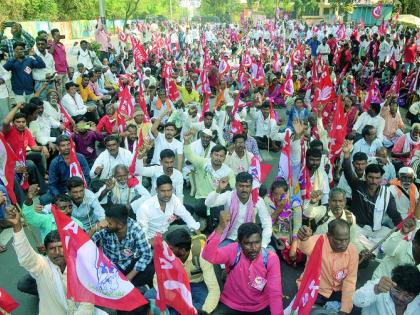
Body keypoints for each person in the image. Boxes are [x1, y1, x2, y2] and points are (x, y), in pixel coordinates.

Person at [5, 205, 96, 314]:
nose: (57, 253)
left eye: (61, 247)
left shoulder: (81, 268)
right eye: (52, 249)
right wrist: (17, 227)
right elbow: (26, 256)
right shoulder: (42, 266)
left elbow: (87, 305)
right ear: (46, 251)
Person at [202, 219, 283, 314]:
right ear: (239, 243)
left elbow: (275, 293)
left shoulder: (271, 259)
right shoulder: (233, 250)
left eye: (257, 242)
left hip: (259, 306)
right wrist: (220, 228)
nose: (253, 248)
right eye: (248, 243)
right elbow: (208, 255)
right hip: (231, 304)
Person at [342, 140, 402, 250]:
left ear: (381, 179)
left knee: (392, 237)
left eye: (377, 178)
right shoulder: (357, 186)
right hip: (357, 227)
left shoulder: (386, 194)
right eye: (370, 177)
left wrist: (403, 231)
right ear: (365, 177)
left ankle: (370, 248)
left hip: (375, 230)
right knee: (350, 238)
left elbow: (395, 215)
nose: (374, 181)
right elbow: (348, 172)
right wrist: (346, 155)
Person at [146, 229, 220, 314]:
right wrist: (172, 296)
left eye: (171, 249)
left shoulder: (201, 254)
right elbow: (157, 278)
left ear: (183, 251)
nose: (166, 250)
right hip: (172, 284)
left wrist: (202, 312)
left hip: (196, 286)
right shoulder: (167, 253)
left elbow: (213, 289)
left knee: (199, 307)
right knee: (149, 297)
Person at [296, 220, 359, 314]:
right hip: (315, 290)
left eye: (347, 239)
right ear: (328, 236)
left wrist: (345, 310)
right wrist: (304, 238)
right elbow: (304, 246)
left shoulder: (353, 251)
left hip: (337, 292)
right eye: (339, 240)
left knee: (356, 307)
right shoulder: (319, 241)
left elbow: (350, 282)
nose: (344, 244)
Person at [91, 204, 154, 288]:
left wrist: (129, 277)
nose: (105, 224)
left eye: (109, 223)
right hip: (109, 265)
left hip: (127, 263)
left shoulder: (136, 230)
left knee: (149, 270)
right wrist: (93, 229)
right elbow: (85, 244)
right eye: (105, 220)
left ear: (120, 225)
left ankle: (128, 286)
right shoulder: (105, 228)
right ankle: (126, 286)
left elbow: (146, 254)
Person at [205, 172, 272, 248]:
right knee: (214, 254)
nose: (244, 189)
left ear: (251, 187)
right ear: (236, 186)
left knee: (270, 253)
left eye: (247, 186)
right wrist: (218, 189)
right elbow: (208, 203)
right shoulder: (229, 196)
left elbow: (267, 224)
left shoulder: (258, 201)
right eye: (241, 186)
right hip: (229, 238)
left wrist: (263, 245)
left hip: (249, 241)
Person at [183, 130, 235, 222]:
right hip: (202, 198)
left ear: (224, 158)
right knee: (200, 207)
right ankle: (212, 222)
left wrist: (227, 187)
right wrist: (186, 141)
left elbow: (233, 187)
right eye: (216, 155)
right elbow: (189, 155)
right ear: (211, 155)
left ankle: (207, 221)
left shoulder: (228, 171)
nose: (218, 158)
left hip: (218, 198)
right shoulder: (203, 163)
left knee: (220, 208)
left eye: (221, 156)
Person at [136, 175, 200, 241]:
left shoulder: (173, 198)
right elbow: (142, 234)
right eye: (163, 191)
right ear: (157, 190)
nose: (167, 194)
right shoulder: (145, 208)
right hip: (151, 238)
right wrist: (151, 243)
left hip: (166, 232)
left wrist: (199, 234)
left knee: (188, 230)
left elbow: (185, 215)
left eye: (169, 190)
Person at [303, 188, 363, 252]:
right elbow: (307, 213)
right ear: (329, 201)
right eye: (334, 201)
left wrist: (362, 251)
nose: (337, 204)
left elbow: (353, 239)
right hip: (318, 251)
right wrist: (312, 202)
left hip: (338, 254)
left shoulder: (350, 217)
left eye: (340, 201)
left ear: (345, 202)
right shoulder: (323, 210)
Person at [353, 265, 420, 314]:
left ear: (416, 295)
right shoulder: (380, 285)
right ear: (392, 282)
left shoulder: (418, 302)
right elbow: (356, 301)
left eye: (408, 296)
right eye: (397, 290)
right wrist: (376, 289)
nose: (400, 298)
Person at [264, 179, 303, 264]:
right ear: (271, 193)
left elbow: (297, 225)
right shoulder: (267, 200)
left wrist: (293, 246)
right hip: (274, 238)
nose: (278, 198)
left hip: (291, 238)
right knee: (269, 256)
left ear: (287, 193)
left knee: (301, 254)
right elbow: (266, 224)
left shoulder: (294, 203)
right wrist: (279, 210)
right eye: (275, 194)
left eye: (282, 195)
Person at [45, 135, 90, 203]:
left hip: (79, 189)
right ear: (57, 147)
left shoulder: (80, 158)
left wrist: (80, 190)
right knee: (44, 199)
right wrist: (59, 197)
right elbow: (52, 184)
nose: (67, 147)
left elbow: (87, 177)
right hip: (63, 191)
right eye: (63, 145)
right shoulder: (54, 162)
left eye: (68, 144)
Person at [49, 28, 69, 96]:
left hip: (64, 70)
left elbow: (65, 57)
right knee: (59, 90)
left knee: (65, 89)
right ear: (53, 36)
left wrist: (68, 69)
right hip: (57, 71)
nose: (58, 37)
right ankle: (60, 105)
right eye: (56, 35)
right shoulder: (50, 44)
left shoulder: (62, 44)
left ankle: (64, 104)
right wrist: (54, 42)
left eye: (59, 35)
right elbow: (50, 53)